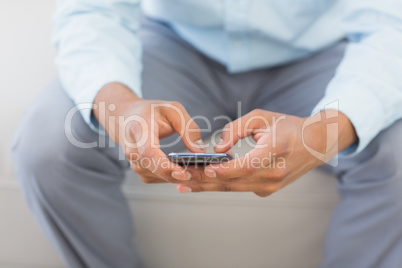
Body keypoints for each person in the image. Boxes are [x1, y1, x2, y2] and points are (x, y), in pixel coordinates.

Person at [11, 0, 402, 267]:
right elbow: (93, 8)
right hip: (173, 43)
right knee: (49, 146)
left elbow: (391, 20)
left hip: (322, 52)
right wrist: (123, 105)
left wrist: (325, 133)